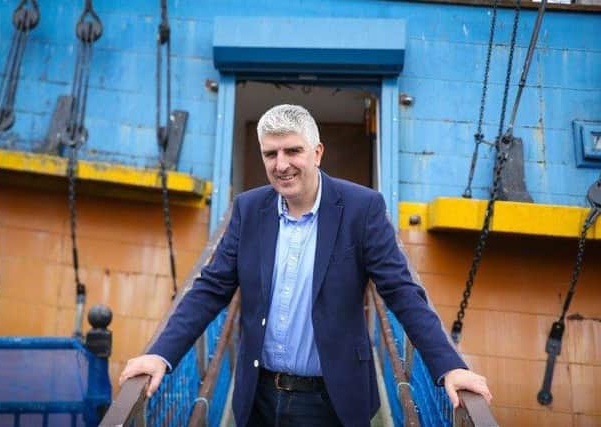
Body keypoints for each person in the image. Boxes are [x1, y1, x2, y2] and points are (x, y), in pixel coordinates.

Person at [120, 104, 492, 427]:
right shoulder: (249, 209)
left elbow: (402, 293)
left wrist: (449, 366)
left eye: (292, 151)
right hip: (259, 397)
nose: (281, 165)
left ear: (317, 152)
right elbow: (210, 288)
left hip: (331, 400)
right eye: (270, 154)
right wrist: (161, 354)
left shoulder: (362, 209)